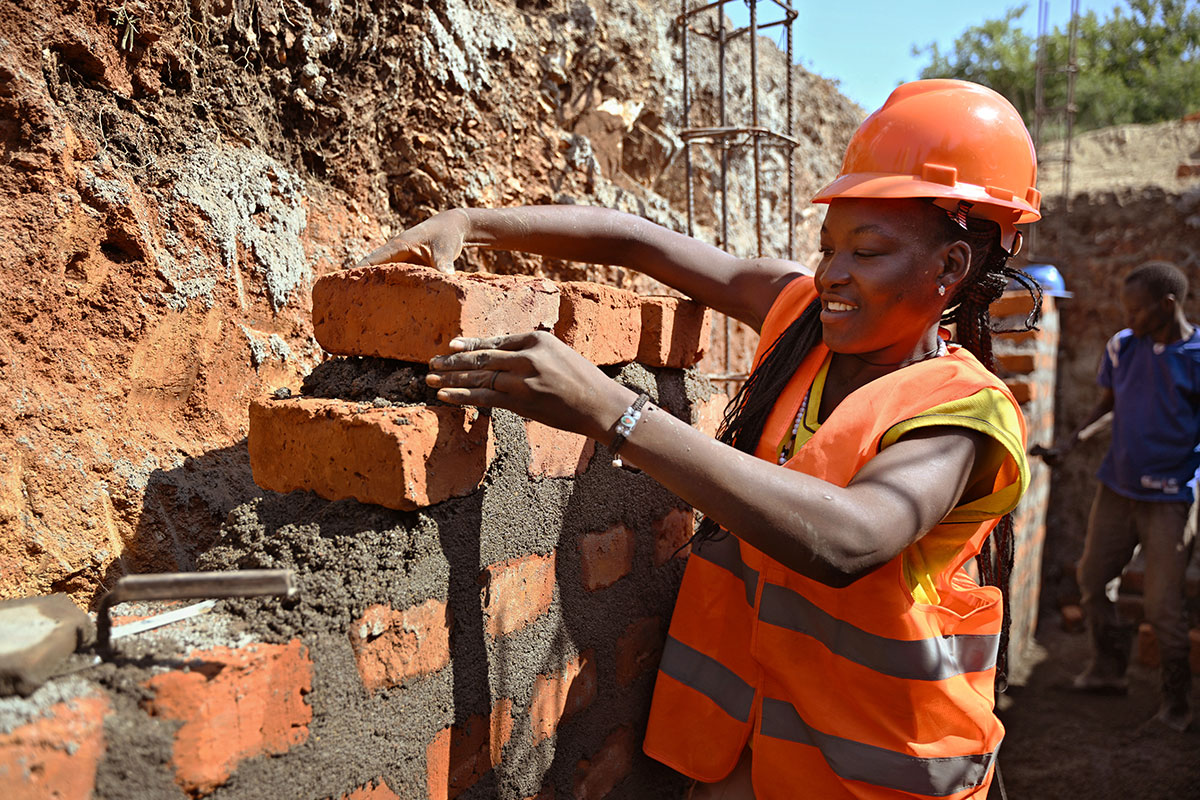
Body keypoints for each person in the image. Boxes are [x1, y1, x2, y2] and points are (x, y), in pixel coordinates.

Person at [362, 80, 1040, 799]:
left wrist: (612, 411)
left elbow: (850, 539)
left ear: (951, 269)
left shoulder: (964, 416)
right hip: (745, 760)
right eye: (828, 245)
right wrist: (473, 224)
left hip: (886, 775)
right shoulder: (803, 323)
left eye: (866, 253)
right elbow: (639, 242)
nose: (831, 274)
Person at [1037, 261, 1197, 733]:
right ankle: (1108, 670)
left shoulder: (1196, 356)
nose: (1129, 319)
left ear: (1167, 306)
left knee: (1163, 606)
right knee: (1092, 578)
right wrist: (1072, 442)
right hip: (1117, 486)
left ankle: (1177, 703)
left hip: (1170, 496)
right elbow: (1110, 404)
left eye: (1137, 311)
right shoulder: (1124, 347)